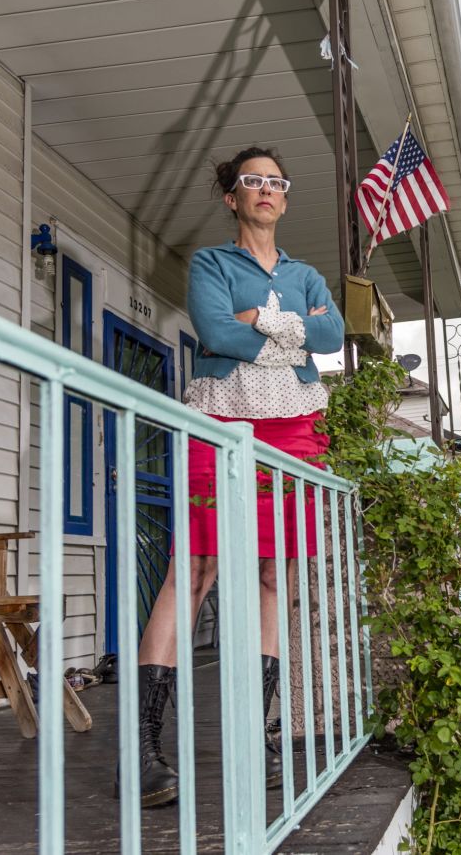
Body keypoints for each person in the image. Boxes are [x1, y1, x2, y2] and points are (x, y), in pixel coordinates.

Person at [124, 146, 344, 808]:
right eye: (254, 181)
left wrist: (266, 323)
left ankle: (262, 735)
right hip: (222, 418)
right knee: (194, 569)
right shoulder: (211, 263)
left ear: (285, 196)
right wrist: (287, 330)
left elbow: (330, 336)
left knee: (272, 572)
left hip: (295, 428)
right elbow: (215, 331)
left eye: (278, 182)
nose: (267, 191)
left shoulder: (306, 273)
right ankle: (142, 751)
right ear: (233, 196)